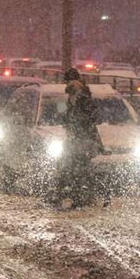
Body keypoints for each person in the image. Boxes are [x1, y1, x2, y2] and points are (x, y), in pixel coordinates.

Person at [46, 73, 103, 209]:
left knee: (74, 169)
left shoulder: (82, 99)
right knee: (74, 170)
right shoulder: (76, 99)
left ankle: (75, 197)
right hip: (77, 141)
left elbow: (91, 120)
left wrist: (76, 124)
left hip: (80, 142)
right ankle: (75, 197)